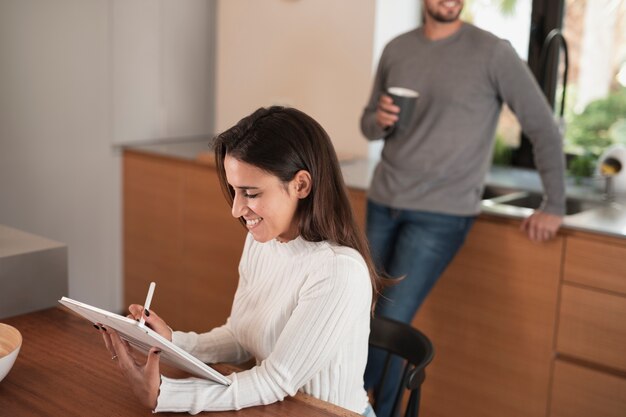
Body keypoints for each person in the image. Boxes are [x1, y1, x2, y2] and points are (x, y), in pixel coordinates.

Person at [99, 106, 382, 416]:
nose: (236, 209)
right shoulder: (263, 241)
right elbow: (240, 335)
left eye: (250, 193)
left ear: (301, 185)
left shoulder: (338, 271)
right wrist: (171, 341)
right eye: (234, 191)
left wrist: (165, 395)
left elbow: (276, 380)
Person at [360, 1, 566, 415]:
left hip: (441, 214)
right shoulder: (397, 48)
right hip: (384, 201)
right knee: (359, 314)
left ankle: (365, 411)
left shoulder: (493, 52)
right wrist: (379, 120)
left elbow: (543, 125)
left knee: (389, 323)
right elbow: (367, 124)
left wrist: (555, 203)